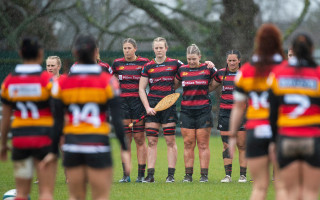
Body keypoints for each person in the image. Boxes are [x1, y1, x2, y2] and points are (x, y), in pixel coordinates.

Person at [51, 35, 130, 200]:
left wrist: (52, 150)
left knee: (76, 196)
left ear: (75, 53)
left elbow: (57, 122)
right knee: (100, 196)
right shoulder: (108, 81)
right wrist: (124, 147)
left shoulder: (62, 82)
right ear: (96, 52)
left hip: (73, 146)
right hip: (98, 145)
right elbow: (116, 119)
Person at [229, 24, 286, 200]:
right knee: (282, 187)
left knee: (259, 187)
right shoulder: (286, 69)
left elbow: (238, 107)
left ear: (258, 43)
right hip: (280, 130)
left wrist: (231, 137)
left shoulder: (245, 70)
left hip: (255, 130)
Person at [0, 36, 58, 200]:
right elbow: (58, 112)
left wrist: (3, 143)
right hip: (43, 139)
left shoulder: (9, 81)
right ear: (41, 54)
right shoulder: (48, 80)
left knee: (22, 193)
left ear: (20, 53)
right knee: (46, 192)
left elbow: (5, 117)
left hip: (20, 140)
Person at [268, 34, 320, 200]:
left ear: (292, 51)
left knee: (289, 193)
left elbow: (272, 111)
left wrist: (274, 139)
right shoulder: (317, 73)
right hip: (312, 138)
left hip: (287, 137)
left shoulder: (278, 73)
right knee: (310, 193)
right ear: (311, 50)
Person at [139, 37, 182, 183]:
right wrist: (147, 108)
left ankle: (171, 175)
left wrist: (208, 64)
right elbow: (141, 88)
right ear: (153, 49)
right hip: (152, 108)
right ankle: (150, 175)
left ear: (166, 48)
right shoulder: (148, 66)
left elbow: (191, 67)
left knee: (170, 140)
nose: (158, 50)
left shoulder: (175, 63)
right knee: (151, 141)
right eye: (156, 48)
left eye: (161, 48)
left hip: (168, 107)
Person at [174, 44, 217, 182]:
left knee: (203, 144)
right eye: (189, 59)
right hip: (186, 111)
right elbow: (174, 85)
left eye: (194, 58)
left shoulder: (207, 69)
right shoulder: (182, 70)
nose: (191, 61)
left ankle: (204, 175)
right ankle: (188, 175)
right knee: (188, 143)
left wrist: (213, 65)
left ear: (199, 57)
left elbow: (217, 81)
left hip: (204, 111)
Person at [112, 38, 149, 183]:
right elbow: (111, 79)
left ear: (135, 48)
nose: (126, 51)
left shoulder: (144, 62)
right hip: (122, 105)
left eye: (129, 48)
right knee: (125, 141)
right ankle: (126, 175)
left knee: (140, 139)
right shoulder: (117, 63)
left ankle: (140, 175)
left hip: (138, 103)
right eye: (124, 48)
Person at [209, 50, 247, 183]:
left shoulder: (245, 74)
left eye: (234, 60)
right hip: (225, 113)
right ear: (227, 61)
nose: (232, 63)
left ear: (239, 60)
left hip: (242, 113)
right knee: (226, 145)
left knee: (242, 145)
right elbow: (209, 87)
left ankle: (243, 175)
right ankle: (228, 176)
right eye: (229, 60)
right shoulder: (220, 73)